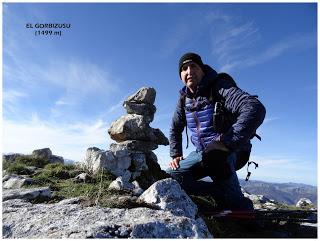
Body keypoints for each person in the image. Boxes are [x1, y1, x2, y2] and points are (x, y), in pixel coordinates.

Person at [167, 52, 266, 210]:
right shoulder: (183, 99)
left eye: (193, 66)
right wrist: (176, 154)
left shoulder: (219, 87)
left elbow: (254, 108)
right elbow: (175, 127)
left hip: (232, 149)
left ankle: (242, 209)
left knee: (214, 157)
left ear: (202, 69)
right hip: (201, 152)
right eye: (184, 68)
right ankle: (218, 195)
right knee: (171, 176)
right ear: (180, 76)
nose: (189, 71)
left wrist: (226, 142)